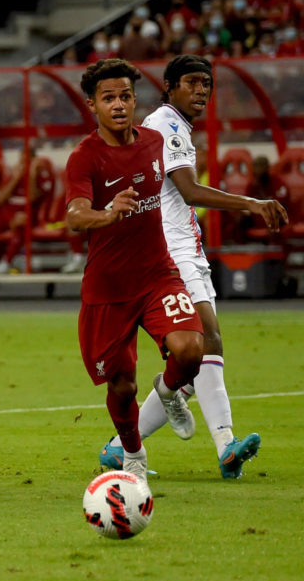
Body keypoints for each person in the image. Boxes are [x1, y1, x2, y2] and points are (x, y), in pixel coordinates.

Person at [97, 55, 288, 479]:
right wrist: (251, 203)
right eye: (193, 82)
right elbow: (187, 189)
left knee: (195, 360)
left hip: (185, 248)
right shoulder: (166, 122)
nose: (202, 91)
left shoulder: (173, 124)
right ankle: (225, 446)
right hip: (170, 251)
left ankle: (118, 447)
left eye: (208, 84)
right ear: (170, 86)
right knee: (207, 342)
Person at [66, 59, 207, 483]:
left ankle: (167, 391)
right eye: (108, 98)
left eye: (126, 96)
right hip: (108, 289)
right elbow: (74, 216)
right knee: (122, 386)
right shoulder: (84, 158)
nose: (119, 105)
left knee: (191, 351)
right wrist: (107, 214)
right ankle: (132, 454)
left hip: (157, 275)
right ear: (92, 105)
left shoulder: (154, 142)